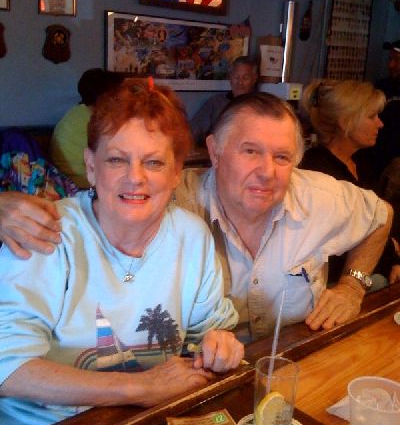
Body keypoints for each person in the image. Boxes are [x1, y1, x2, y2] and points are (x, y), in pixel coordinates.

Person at [0, 93, 393, 342]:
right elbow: (95, 209)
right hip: (202, 375)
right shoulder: (169, 202)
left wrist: (353, 285)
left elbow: (382, 216)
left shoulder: (320, 197)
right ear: (215, 152)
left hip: (294, 356)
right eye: (250, 151)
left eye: (282, 157)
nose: (267, 171)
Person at [0, 79, 243, 425]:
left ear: (176, 172)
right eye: (117, 159)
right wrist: (140, 388)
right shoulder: (46, 232)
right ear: (91, 166)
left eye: (154, 162)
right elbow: (7, 368)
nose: (135, 178)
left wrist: (219, 344)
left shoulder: (191, 236)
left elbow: (208, 330)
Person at [299, 79, 400, 286]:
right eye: (371, 116)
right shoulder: (316, 171)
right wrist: (391, 252)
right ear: (345, 122)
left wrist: (393, 258)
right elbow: (339, 246)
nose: (380, 124)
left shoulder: (362, 162)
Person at [49, 68, 124, 189]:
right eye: (118, 95)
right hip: (77, 183)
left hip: (65, 179)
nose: (121, 101)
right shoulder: (92, 120)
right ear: (105, 97)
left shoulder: (78, 113)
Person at [189, 56, 259, 147]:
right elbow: (193, 130)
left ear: (254, 79)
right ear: (230, 78)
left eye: (245, 78)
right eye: (236, 77)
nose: (240, 82)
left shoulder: (261, 106)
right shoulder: (216, 102)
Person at [368, 40, 400, 178]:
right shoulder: (382, 87)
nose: (391, 65)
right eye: (390, 59)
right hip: (376, 161)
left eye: (397, 60)